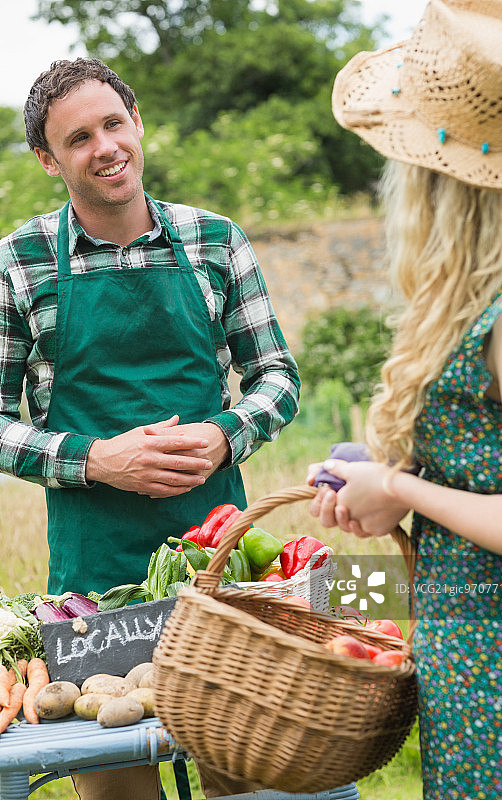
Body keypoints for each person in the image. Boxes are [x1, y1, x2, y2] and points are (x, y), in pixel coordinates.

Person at [0, 58, 300, 799]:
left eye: (113, 124)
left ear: (137, 123)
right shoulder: (21, 262)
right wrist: (94, 458)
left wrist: (229, 432)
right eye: (78, 138)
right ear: (47, 159)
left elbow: (277, 378)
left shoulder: (213, 240)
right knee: (114, 783)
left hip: (217, 560)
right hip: (93, 586)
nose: (104, 147)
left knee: (240, 773)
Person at [308, 0, 502, 798]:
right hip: (471, 649)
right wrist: (380, 480)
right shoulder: (490, 298)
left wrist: (399, 488)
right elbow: (491, 475)